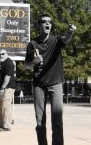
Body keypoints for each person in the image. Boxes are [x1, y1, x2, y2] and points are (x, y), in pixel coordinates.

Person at [25, 13, 76, 145]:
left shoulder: (56, 40)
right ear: (39, 25)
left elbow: (66, 40)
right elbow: (26, 65)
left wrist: (70, 33)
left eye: (49, 22)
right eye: (44, 21)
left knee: (57, 120)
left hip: (55, 82)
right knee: (40, 121)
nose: (47, 23)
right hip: (39, 85)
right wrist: (34, 61)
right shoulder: (32, 44)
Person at [0, 49, 16, 132]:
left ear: (7, 54)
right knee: (0, 107)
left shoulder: (9, 63)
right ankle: (0, 125)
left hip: (7, 88)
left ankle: (6, 126)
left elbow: (7, 77)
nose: (1, 55)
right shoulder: (1, 63)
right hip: (0, 89)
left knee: (5, 106)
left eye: (3, 54)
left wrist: (2, 88)